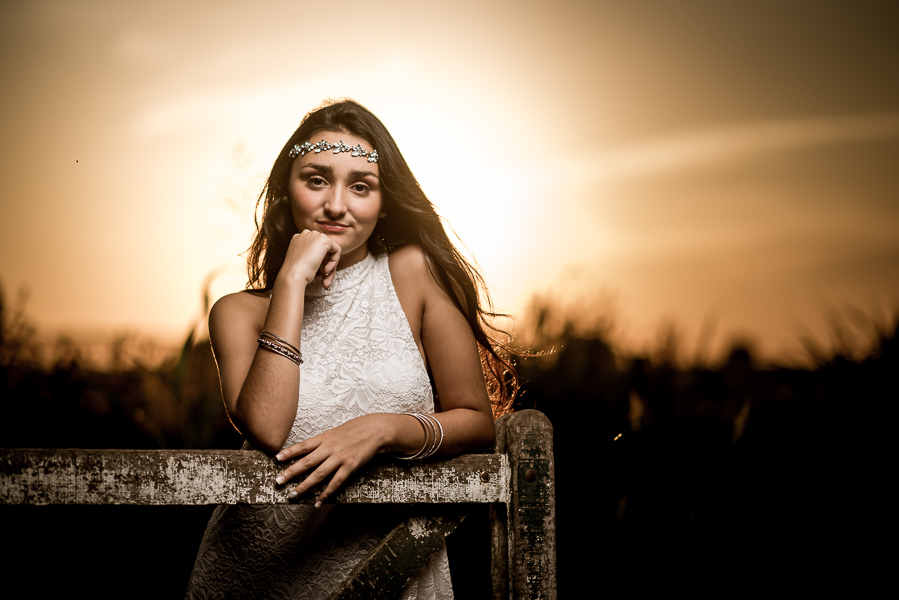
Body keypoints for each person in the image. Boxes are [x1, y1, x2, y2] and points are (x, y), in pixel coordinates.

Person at [185, 99, 517, 599]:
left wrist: (383, 429)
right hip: (257, 573)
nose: (336, 205)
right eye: (317, 180)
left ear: (384, 201)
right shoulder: (237, 312)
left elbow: (475, 420)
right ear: (286, 192)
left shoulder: (415, 275)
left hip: (395, 567)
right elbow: (269, 428)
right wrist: (291, 281)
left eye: (361, 186)